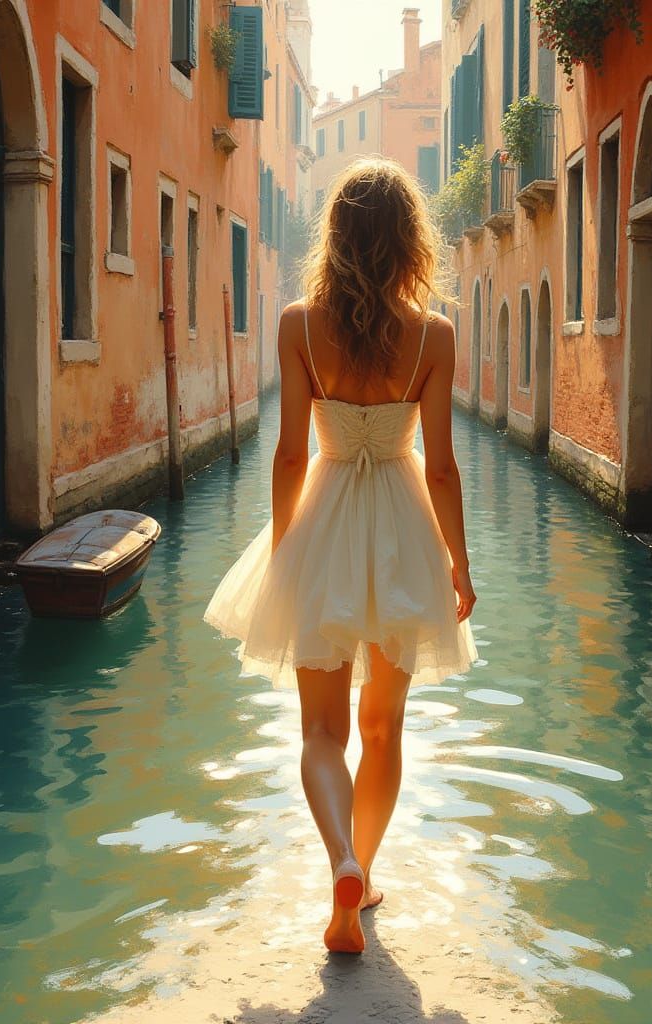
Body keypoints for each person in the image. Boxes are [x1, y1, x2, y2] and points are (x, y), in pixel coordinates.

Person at [204, 157, 478, 955]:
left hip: (322, 518)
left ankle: (342, 865)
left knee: (321, 730)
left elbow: (289, 456)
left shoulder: (296, 324)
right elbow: (445, 467)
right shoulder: (435, 334)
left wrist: (287, 550)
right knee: (384, 726)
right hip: (405, 526)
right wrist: (460, 564)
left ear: (336, 233)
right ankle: (366, 875)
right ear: (408, 240)